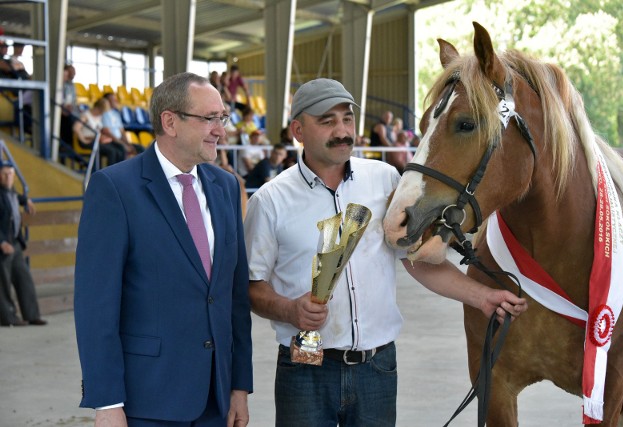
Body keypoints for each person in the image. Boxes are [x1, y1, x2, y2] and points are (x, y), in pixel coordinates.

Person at [243, 78, 528, 427]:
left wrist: (482, 297)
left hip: (376, 368)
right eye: (327, 121)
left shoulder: (384, 180)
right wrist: (289, 309)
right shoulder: (270, 201)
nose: (342, 130)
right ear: (298, 130)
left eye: (347, 119)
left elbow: (417, 262)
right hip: (304, 367)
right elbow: (252, 287)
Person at [74, 72, 252, 426]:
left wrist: (238, 387)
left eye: (223, 118)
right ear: (170, 121)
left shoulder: (226, 187)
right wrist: (107, 402)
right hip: (147, 401)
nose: (221, 129)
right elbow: (96, 305)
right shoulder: (115, 188)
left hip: (215, 398)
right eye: (209, 119)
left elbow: (234, 297)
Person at [0, 162, 46, 327]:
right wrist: (2, 242)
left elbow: (16, 197)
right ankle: (9, 318)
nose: (8, 177)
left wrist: (25, 199)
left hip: (15, 244)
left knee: (24, 278)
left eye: (11, 174)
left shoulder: (10, 192)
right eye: (5, 174)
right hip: (4, 246)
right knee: (3, 284)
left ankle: (32, 315)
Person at [73, 97, 126, 166]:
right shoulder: (86, 115)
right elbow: (76, 128)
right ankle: (109, 173)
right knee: (112, 151)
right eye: (102, 111)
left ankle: (118, 170)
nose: (102, 113)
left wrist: (104, 137)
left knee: (119, 148)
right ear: (98, 108)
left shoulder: (99, 116)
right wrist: (83, 140)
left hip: (97, 140)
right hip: (88, 141)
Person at [101, 92, 144, 157]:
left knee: (140, 148)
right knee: (121, 150)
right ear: (107, 102)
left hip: (119, 141)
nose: (116, 101)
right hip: (111, 141)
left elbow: (122, 131)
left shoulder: (116, 114)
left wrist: (128, 144)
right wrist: (123, 145)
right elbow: (107, 132)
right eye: (113, 100)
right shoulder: (104, 114)